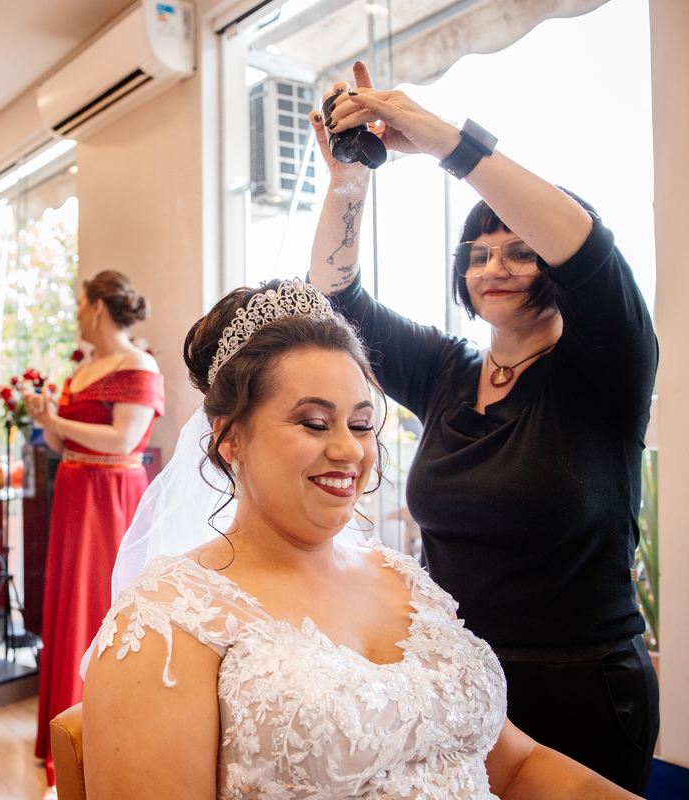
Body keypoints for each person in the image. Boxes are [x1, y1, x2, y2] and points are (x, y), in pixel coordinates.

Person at [81, 278, 641, 800]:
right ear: (230, 439)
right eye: (315, 423)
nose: (350, 451)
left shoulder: (406, 582)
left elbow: (515, 765)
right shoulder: (166, 621)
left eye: (362, 422)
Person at [306, 64, 658, 792]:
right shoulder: (443, 370)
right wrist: (348, 183)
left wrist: (440, 140)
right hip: (458, 679)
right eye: (479, 252)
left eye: (519, 249)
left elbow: (590, 250)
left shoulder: (606, 367)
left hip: (583, 687)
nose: (494, 264)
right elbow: (336, 298)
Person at [24, 269, 163, 786]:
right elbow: (63, 445)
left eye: (81, 304)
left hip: (111, 496)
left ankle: (105, 733)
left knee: (100, 601)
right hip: (73, 491)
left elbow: (124, 439)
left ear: (99, 307)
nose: (77, 314)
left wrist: (56, 423)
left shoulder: (139, 363)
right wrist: (47, 418)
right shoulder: (80, 370)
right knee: (68, 599)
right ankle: (65, 727)